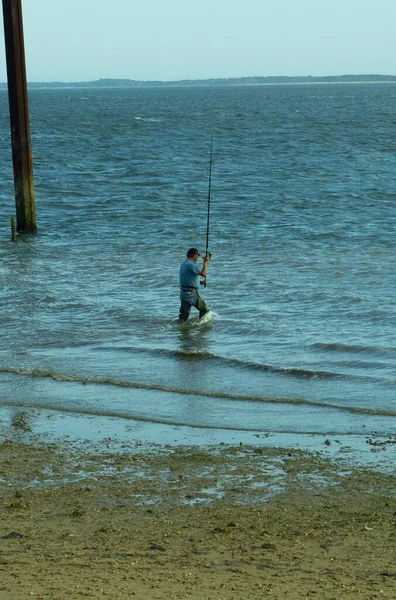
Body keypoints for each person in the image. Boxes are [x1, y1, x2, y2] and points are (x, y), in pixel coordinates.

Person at [178, 248, 210, 322]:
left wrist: (201, 282)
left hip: (184, 292)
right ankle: (201, 328)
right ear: (194, 255)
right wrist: (205, 262)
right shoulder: (192, 264)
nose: (197, 258)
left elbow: (188, 278)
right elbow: (204, 273)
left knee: (183, 316)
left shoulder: (184, 264)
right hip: (191, 293)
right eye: (197, 256)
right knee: (204, 311)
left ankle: (180, 331)